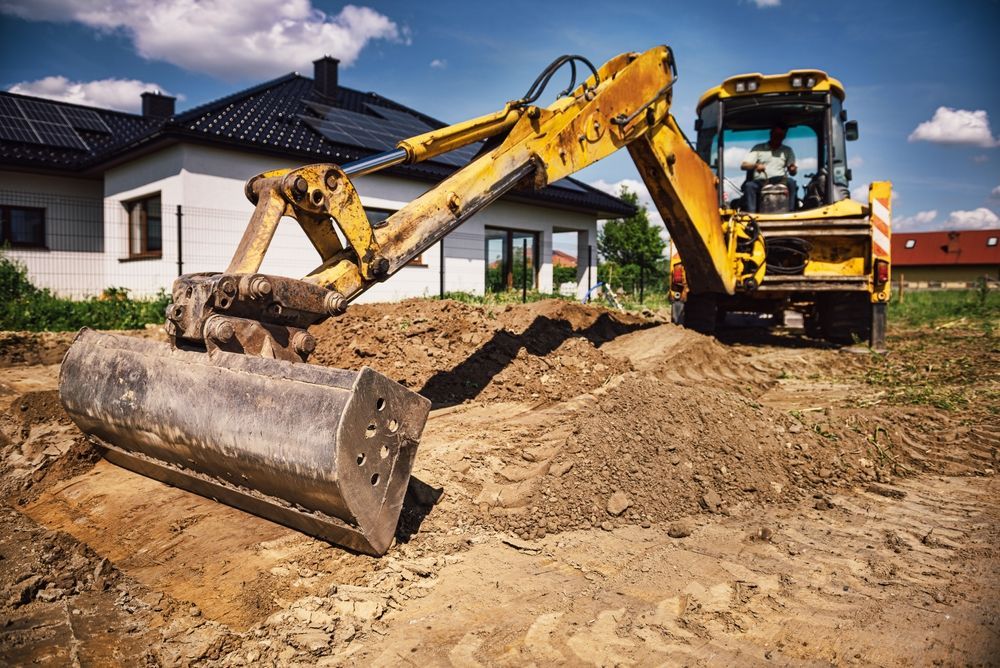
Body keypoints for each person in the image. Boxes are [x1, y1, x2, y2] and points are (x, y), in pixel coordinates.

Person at [740, 124, 798, 212]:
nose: (778, 137)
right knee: (749, 186)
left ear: (784, 137)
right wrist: (756, 165)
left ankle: (791, 211)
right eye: (776, 135)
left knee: (791, 183)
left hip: (780, 180)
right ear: (771, 134)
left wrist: (793, 169)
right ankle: (752, 214)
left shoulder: (787, 150)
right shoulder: (758, 148)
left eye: (781, 136)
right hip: (761, 182)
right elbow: (744, 165)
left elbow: (793, 171)